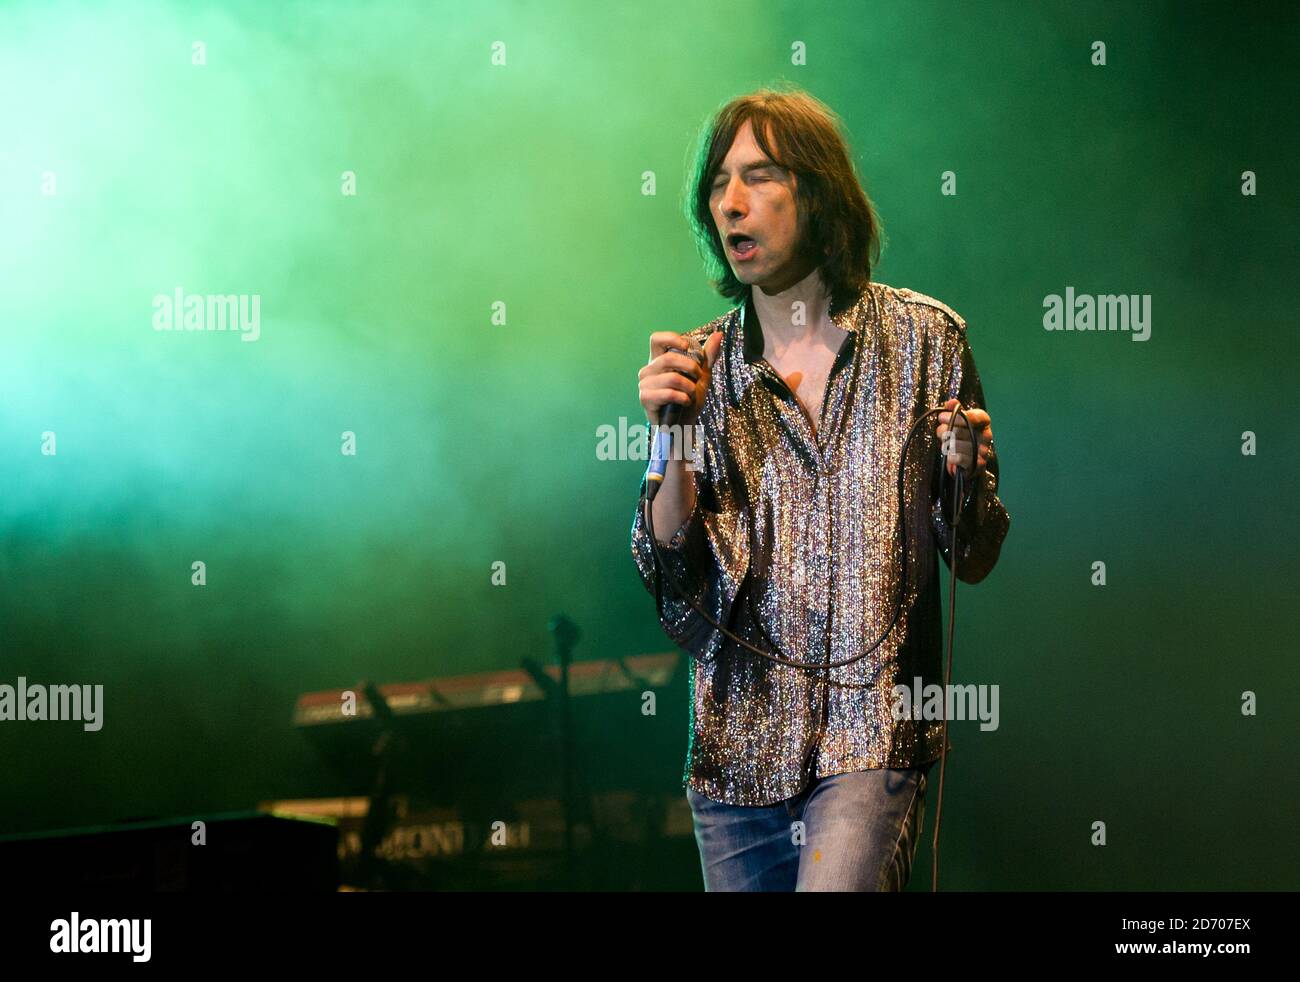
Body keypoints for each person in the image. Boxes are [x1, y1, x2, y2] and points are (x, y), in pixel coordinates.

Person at [629, 87, 1011, 892]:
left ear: (819, 191)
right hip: (736, 750)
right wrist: (674, 434)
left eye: (760, 176)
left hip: (872, 733)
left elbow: (972, 554)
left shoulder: (923, 339)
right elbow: (672, 579)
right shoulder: (699, 366)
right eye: (717, 184)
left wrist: (964, 470)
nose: (731, 203)